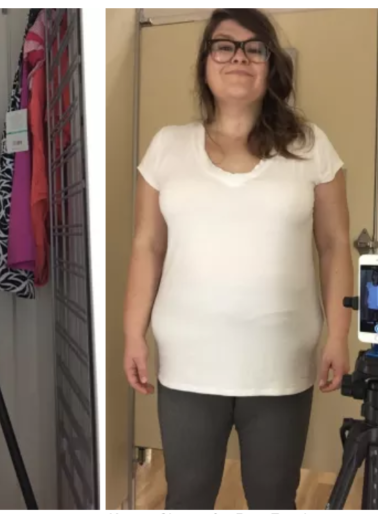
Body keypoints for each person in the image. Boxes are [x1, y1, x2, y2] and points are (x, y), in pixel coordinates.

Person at [123, 9, 352, 510]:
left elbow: (335, 245)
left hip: (279, 362)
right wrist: (132, 333)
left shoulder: (311, 147)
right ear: (205, 62)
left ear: (271, 65)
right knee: (187, 496)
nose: (239, 57)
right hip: (188, 362)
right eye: (224, 46)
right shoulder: (167, 147)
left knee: (273, 497)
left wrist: (339, 333)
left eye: (254, 48)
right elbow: (147, 245)